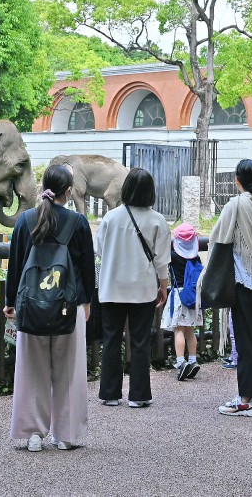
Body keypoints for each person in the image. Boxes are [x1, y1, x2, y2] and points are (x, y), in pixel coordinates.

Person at [4, 164, 95, 452]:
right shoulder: (78, 222)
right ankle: (64, 435)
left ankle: (33, 434)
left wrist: (10, 303)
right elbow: (87, 269)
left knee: (33, 369)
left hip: (31, 307)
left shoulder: (25, 220)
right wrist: (87, 302)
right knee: (68, 370)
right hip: (70, 306)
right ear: (69, 191)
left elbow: (15, 266)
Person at [96, 167, 171, 408]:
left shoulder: (111, 217)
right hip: (142, 289)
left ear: (126, 189)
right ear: (151, 192)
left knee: (111, 340)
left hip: (111, 288)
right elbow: (162, 261)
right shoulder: (157, 220)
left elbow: (99, 250)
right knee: (140, 341)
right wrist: (163, 287)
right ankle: (138, 395)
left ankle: (109, 393)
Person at [213, 159, 252, 416]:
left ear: (236, 179)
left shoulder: (237, 204)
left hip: (243, 282)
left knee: (246, 342)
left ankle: (245, 399)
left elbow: (219, 236)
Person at [161, 223, 203, 381]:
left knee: (179, 330)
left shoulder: (173, 255)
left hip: (179, 295)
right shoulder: (195, 256)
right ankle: (193, 360)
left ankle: (181, 362)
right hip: (193, 296)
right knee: (190, 331)